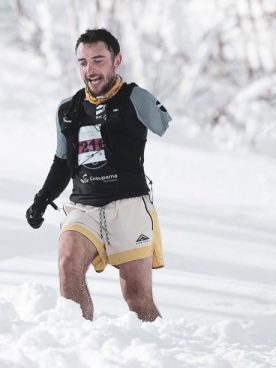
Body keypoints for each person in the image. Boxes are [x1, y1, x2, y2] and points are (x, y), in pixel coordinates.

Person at [25, 28, 171, 321]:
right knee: (68, 264)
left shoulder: (134, 97)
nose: (90, 70)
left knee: (137, 299)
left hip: (128, 205)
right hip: (84, 206)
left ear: (117, 60)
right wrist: (42, 200)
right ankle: (79, 344)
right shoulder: (68, 109)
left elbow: (163, 124)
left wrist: (131, 113)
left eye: (98, 60)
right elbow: (62, 161)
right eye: (83, 62)